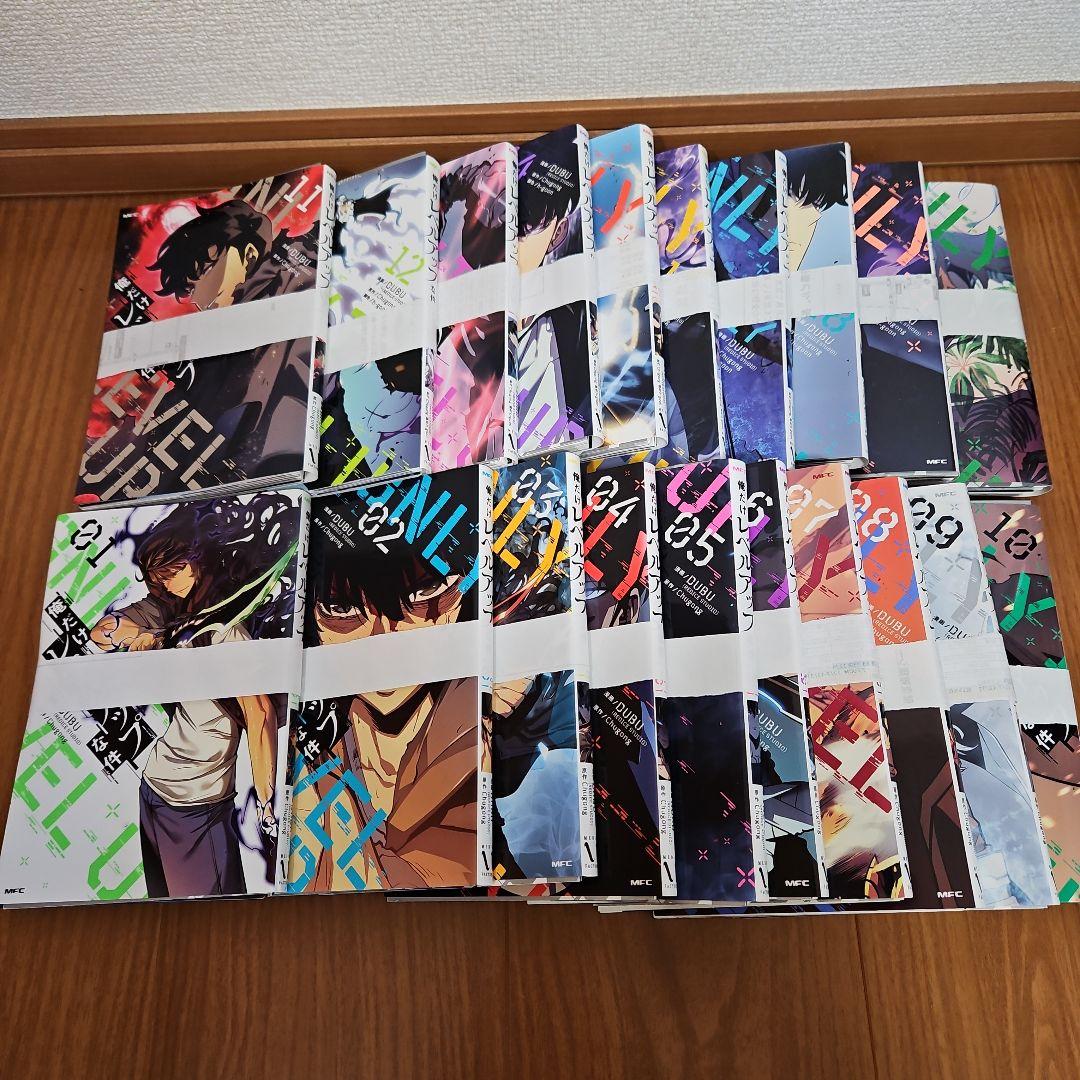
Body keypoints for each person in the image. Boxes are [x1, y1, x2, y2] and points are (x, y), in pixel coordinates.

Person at [89, 495, 294, 897]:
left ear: (200, 559)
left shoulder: (228, 632)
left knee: (206, 914)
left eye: (174, 571)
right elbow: (102, 632)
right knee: (177, 910)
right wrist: (145, 635)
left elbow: (260, 715)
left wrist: (268, 802)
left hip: (195, 803)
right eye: (159, 576)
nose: (167, 583)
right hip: (166, 792)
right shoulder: (169, 608)